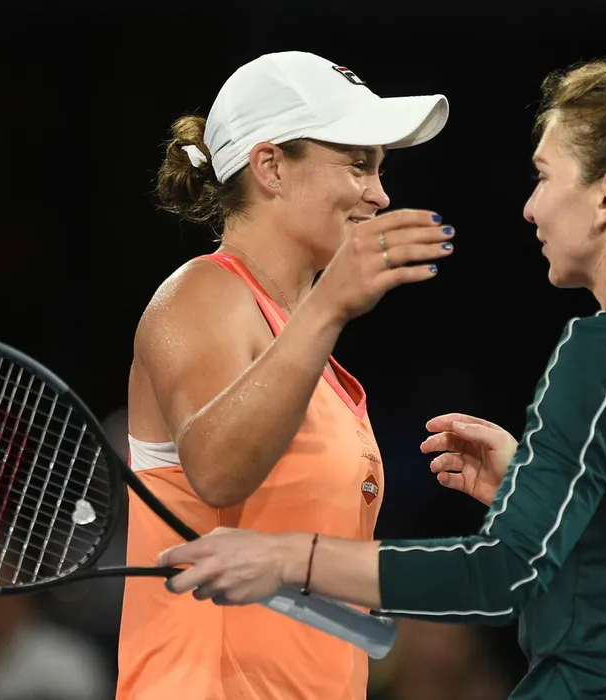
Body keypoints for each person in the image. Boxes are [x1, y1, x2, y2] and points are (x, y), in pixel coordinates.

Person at [159, 40, 606, 700]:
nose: (530, 208)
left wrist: (284, 557)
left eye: (544, 177)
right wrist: (538, 489)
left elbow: (500, 576)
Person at [118, 51, 452, 700]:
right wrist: (329, 307)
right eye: (357, 164)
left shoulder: (306, 348)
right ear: (270, 167)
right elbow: (218, 472)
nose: (380, 194)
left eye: (380, 168)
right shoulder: (201, 295)